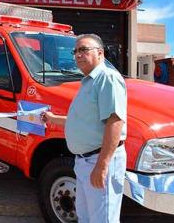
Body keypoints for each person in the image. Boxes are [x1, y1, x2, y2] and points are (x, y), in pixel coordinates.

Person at [41, 33, 127, 223]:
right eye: (75, 51)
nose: (78, 55)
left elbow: (115, 122)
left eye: (83, 49)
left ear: (100, 53)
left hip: (99, 160)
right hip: (83, 162)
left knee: (103, 220)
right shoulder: (89, 81)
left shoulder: (107, 78)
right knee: (86, 217)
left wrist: (102, 165)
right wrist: (53, 119)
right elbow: (83, 122)